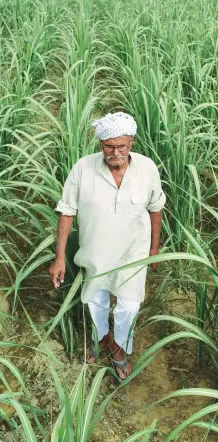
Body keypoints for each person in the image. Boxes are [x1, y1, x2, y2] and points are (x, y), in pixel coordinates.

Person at [49, 112, 166, 380]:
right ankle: (100, 339)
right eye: (109, 146)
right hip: (96, 253)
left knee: (129, 307)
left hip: (133, 254)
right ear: (100, 144)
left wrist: (154, 248)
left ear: (131, 142)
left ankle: (121, 348)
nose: (115, 152)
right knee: (94, 301)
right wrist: (58, 259)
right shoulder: (83, 168)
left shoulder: (147, 169)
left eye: (121, 146)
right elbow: (67, 211)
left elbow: (156, 208)